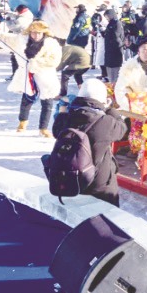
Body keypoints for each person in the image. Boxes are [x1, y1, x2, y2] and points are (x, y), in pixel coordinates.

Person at [51, 78, 129, 207]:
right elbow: (122, 129)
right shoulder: (106, 122)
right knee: (106, 214)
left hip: (70, 179)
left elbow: (56, 131)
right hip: (98, 184)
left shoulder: (65, 117)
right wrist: (110, 110)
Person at [0, 20, 62, 137]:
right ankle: (22, 123)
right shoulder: (21, 40)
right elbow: (5, 38)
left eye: (39, 33)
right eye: (33, 32)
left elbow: (55, 60)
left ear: (44, 33)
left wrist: (37, 62)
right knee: (27, 99)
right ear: (29, 32)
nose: (36, 35)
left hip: (45, 75)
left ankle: (43, 128)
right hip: (27, 75)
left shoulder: (52, 44)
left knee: (47, 102)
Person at [103, 8, 126, 83]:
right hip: (109, 50)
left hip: (115, 49)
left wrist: (108, 32)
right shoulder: (110, 23)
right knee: (109, 69)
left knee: (115, 70)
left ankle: (115, 85)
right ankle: (111, 83)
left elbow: (116, 36)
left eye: (107, 16)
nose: (106, 18)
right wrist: (104, 32)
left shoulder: (117, 23)